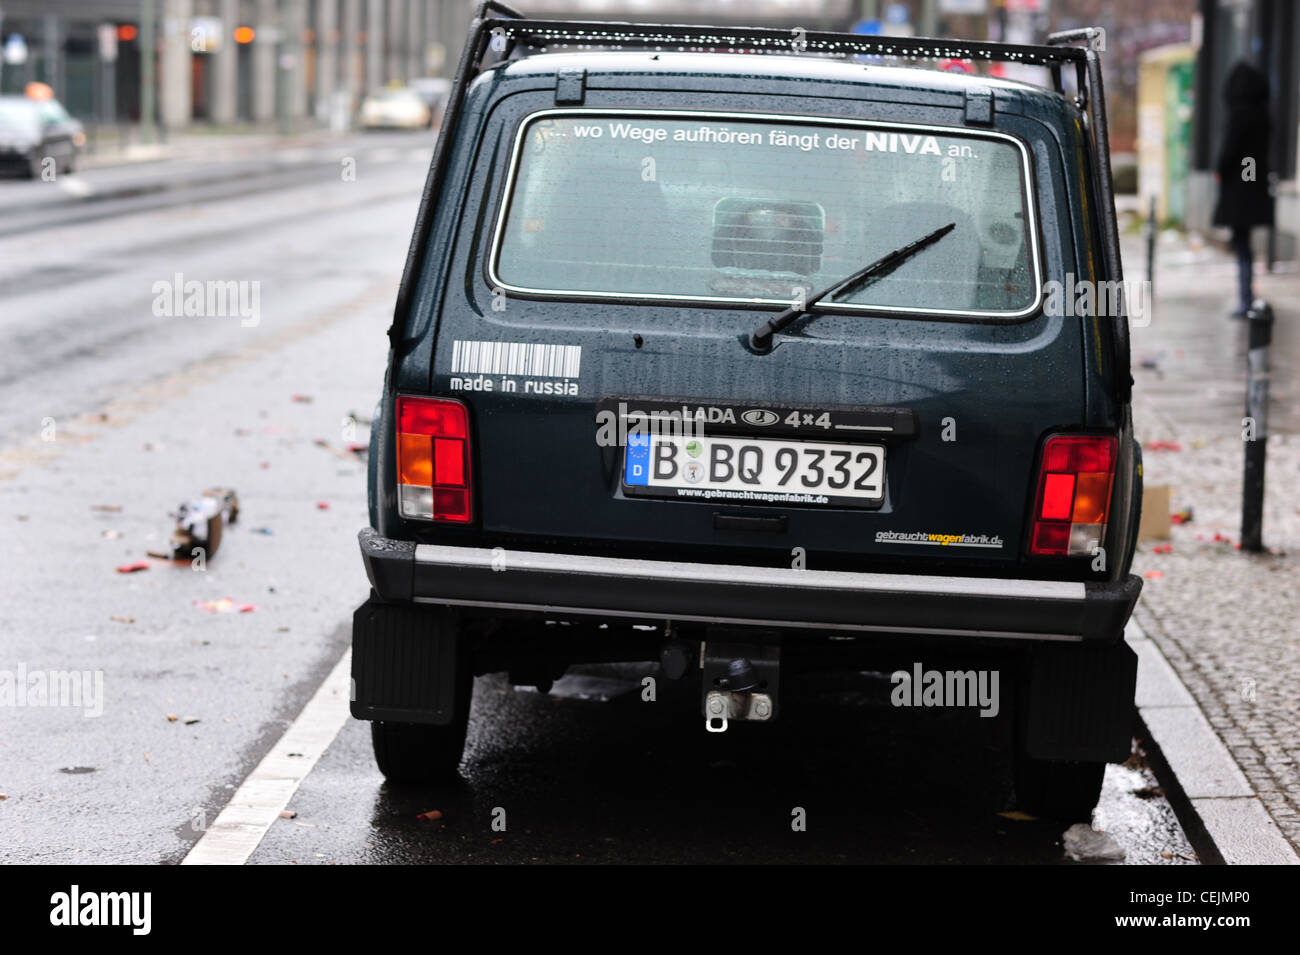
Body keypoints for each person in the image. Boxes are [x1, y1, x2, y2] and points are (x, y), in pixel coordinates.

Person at [1212, 61, 1274, 317]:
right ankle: (1246, 297)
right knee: (1243, 244)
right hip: (1252, 185)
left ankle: (1246, 299)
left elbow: (1234, 152)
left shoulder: (1240, 115)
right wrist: (1249, 176)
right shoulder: (1262, 114)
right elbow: (1252, 157)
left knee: (1243, 246)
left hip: (1242, 190)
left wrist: (1228, 172)